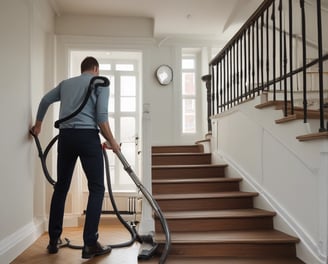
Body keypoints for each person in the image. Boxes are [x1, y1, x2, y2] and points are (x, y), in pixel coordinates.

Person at [30, 56, 120, 259]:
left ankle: (53, 240)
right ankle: (90, 244)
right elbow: (101, 117)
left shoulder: (66, 84)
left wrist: (38, 125)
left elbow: (45, 100)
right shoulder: (101, 82)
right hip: (88, 137)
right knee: (97, 187)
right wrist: (113, 142)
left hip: (66, 138)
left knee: (61, 187)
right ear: (96, 69)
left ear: (83, 69)